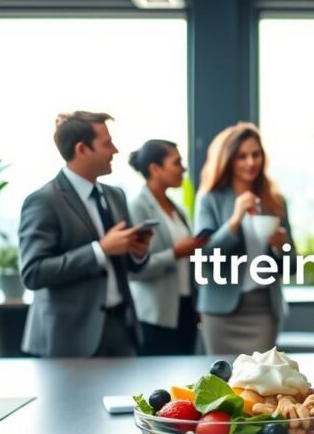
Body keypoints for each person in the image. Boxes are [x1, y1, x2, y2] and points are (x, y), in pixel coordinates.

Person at [19, 111, 151, 357]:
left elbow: (127, 266)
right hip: (69, 338)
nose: (115, 150)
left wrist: (137, 252)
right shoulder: (44, 201)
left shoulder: (115, 196)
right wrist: (100, 250)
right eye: (107, 143)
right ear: (82, 149)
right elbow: (33, 273)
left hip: (122, 329)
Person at [194, 123, 293, 355]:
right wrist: (235, 219)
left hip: (264, 309)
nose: (251, 162)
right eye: (242, 156)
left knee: (259, 384)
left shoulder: (275, 201)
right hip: (220, 312)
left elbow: (292, 265)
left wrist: (281, 248)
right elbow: (205, 258)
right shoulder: (209, 199)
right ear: (229, 160)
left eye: (255, 154)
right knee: (222, 382)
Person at [127, 140, 207, 356]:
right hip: (155, 315)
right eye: (177, 162)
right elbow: (136, 269)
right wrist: (175, 253)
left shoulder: (177, 209)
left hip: (186, 308)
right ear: (155, 168)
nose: (183, 168)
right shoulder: (137, 208)